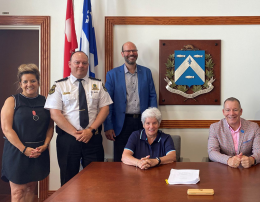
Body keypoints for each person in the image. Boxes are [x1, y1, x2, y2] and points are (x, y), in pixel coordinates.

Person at [44, 51, 113, 186]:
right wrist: (75, 134)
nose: (81, 65)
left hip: (92, 138)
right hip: (68, 140)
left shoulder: (98, 84)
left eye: (84, 63)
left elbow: (105, 109)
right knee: (68, 180)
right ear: (70, 64)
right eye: (77, 62)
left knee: (96, 180)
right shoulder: (59, 86)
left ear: (88, 65)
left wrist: (90, 130)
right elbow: (55, 114)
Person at [1, 64, 54, 202]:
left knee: (31, 188)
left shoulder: (46, 101)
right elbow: (7, 129)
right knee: (18, 192)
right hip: (17, 152)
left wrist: (46, 145)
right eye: (25, 81)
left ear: (38, 82)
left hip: (38, 151)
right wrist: (24, 149)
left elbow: (50, 127)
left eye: (33, 81)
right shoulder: (12, 101)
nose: (29, 84)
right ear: (20, 84)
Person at [104, 41, 157, 162]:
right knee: (121, 159)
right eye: (128, 51)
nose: (131, 53)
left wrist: (153, 120)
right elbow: (107, 102)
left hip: (143, 122)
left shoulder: (147, 72)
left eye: (134, 50)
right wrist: (108, 125)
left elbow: (152, 96)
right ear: (122, 54)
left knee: (144, 156)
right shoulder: (112, 75)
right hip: (121, 124)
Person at [208, 97, 260, 168]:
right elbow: (212, 152)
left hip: (247, 169)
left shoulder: (253, 127)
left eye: (235, 110)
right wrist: (228, 160)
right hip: (224, 168)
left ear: (241, 111)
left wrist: (251, 160)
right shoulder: (215, 128)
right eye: (228, 110)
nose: (231, 113)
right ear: (223, 112)